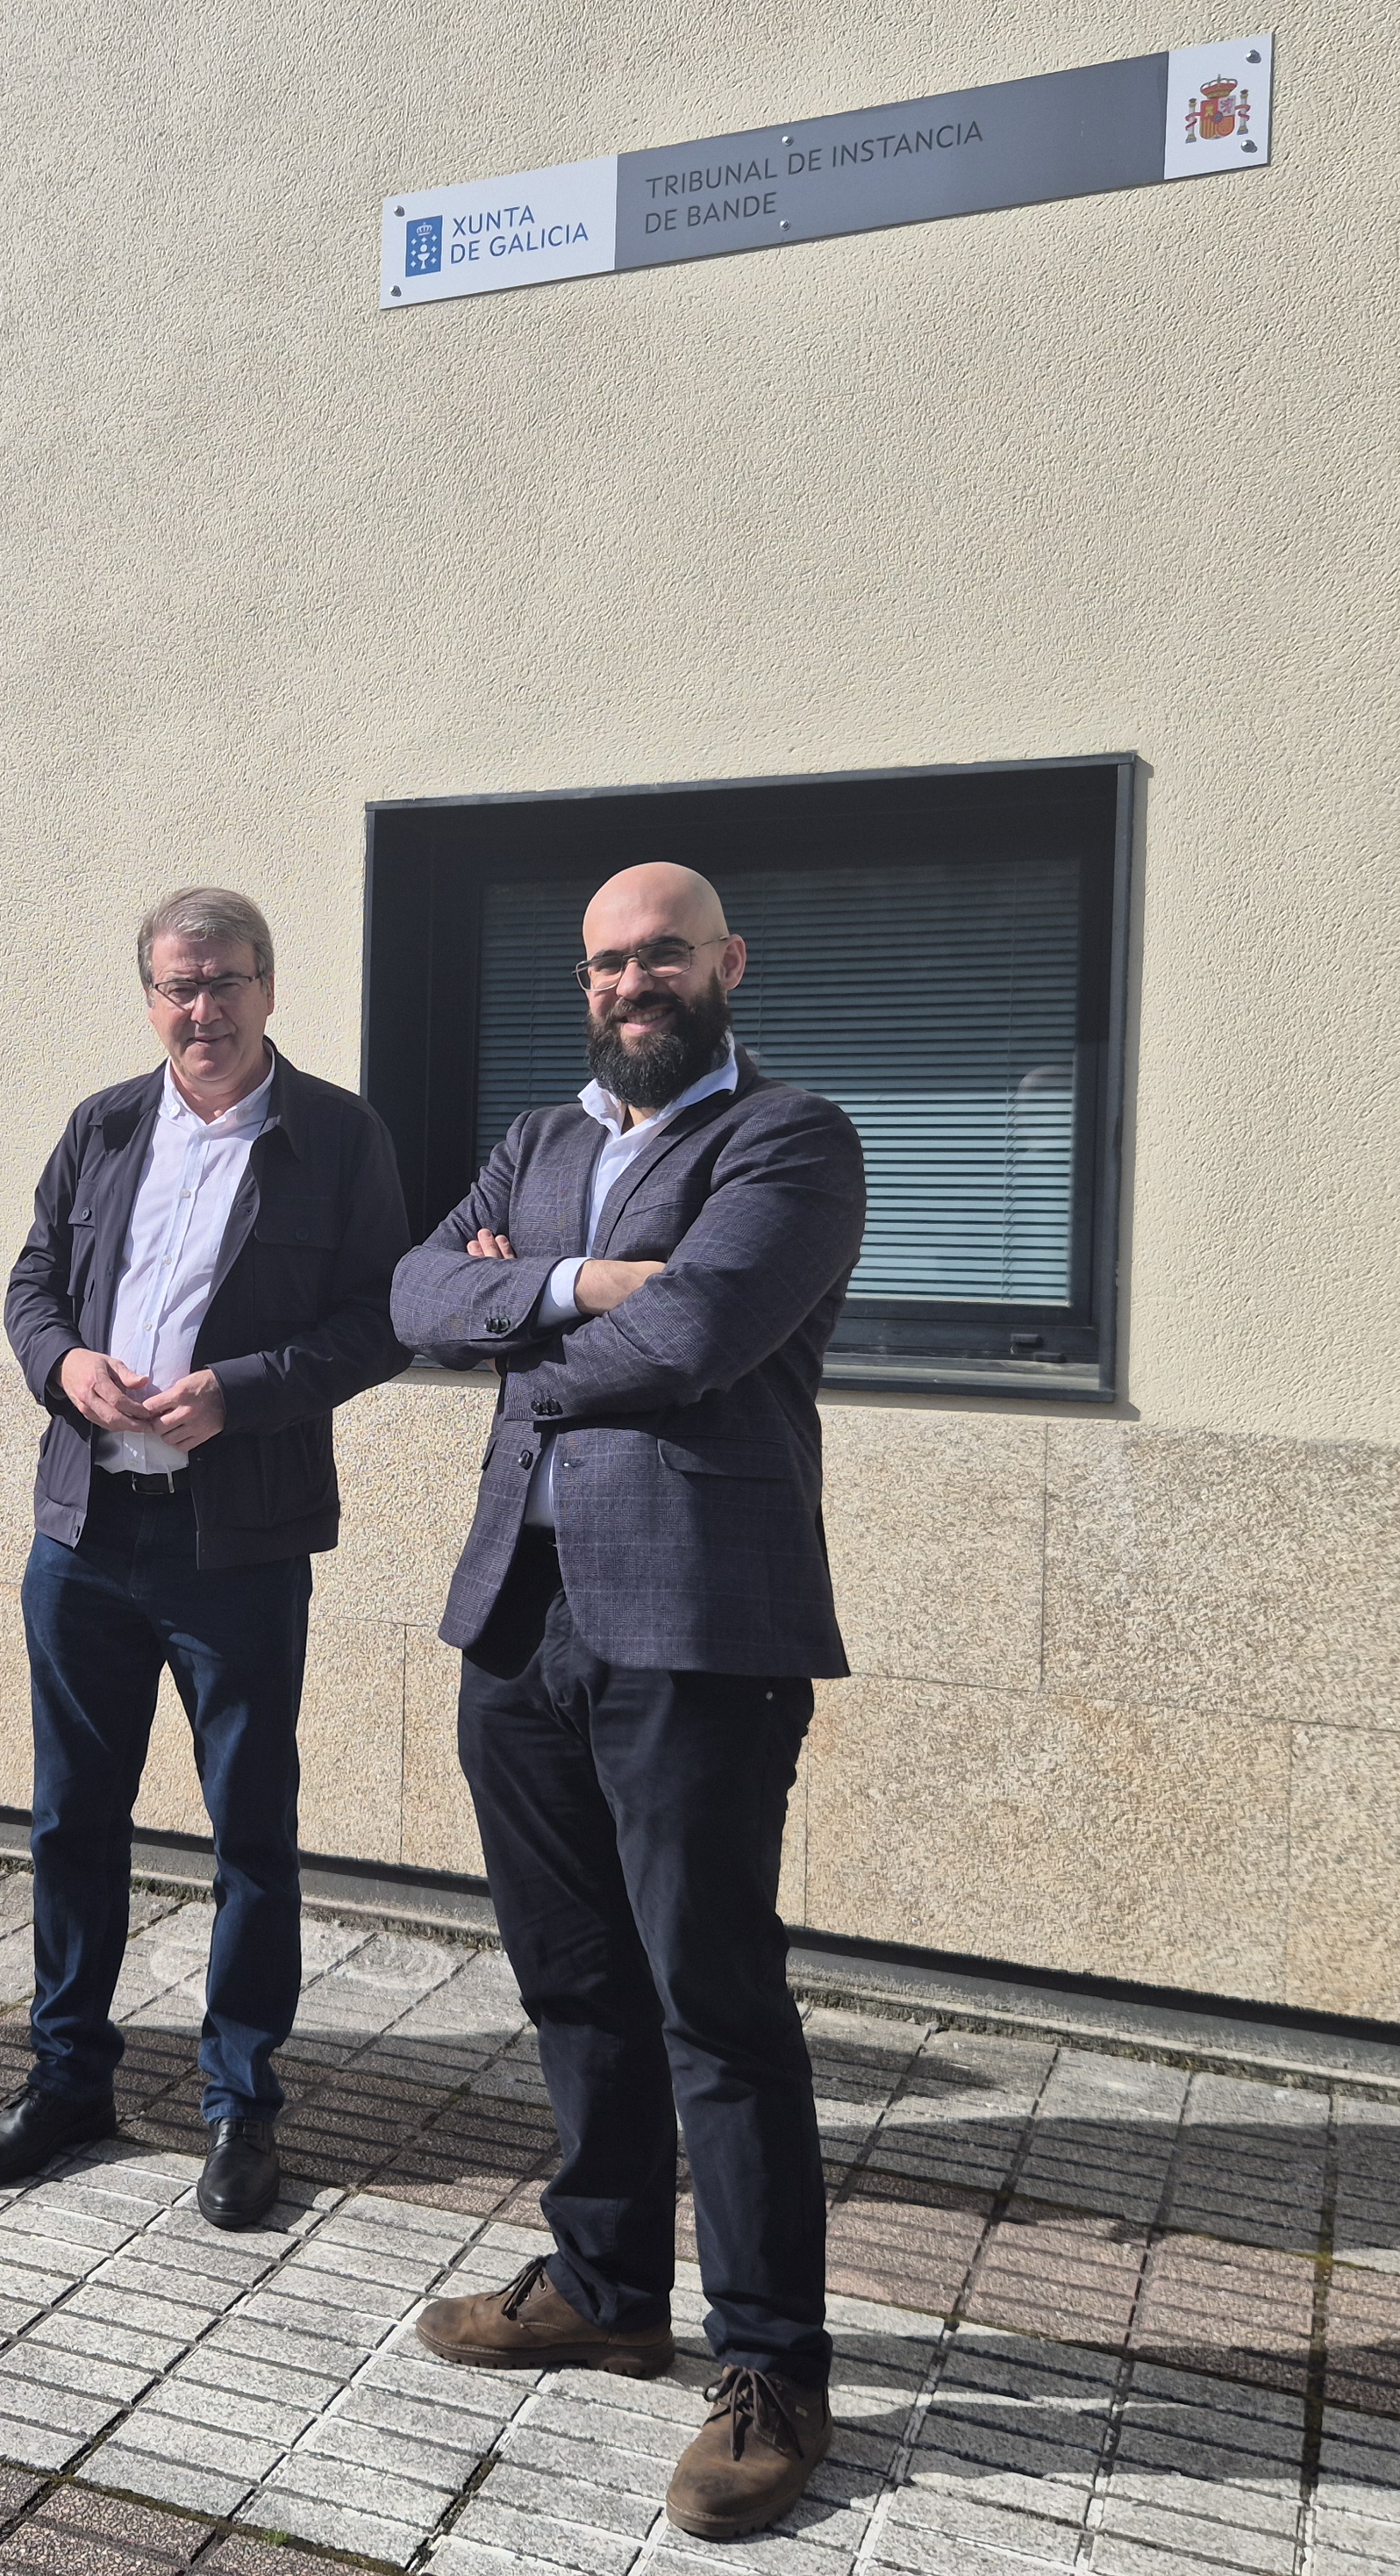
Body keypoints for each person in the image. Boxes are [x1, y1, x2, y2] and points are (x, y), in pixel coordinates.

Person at [389, 863, 867, 2542]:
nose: (630, 982)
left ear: (727, 963)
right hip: (522, 1624)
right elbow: (410, 1293)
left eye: (661, 953)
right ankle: (604, 2283)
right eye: (604, 962)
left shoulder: (790, 1140)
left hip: (696, 1636)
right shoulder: (538, 1141)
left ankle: (774, 2369)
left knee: (716, 2003)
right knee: (572, 1978)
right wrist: (587, 1285)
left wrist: (516, 1322)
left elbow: (704, 1337)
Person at [0, 887, 410, 2226]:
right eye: (176, 985)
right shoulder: (105, 1125)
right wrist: (66, 1365)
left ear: (269, 989)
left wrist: (245, 1390)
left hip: (237, 1544)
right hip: (89, 1533)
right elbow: (31, 1283)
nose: (200, 1009)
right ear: (149, 997)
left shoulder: (335, 1136)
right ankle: (68, 2082)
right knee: (69, 1822)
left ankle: (241, 2107)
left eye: (223, 981)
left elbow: (382, 1321)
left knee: (251, 1835)